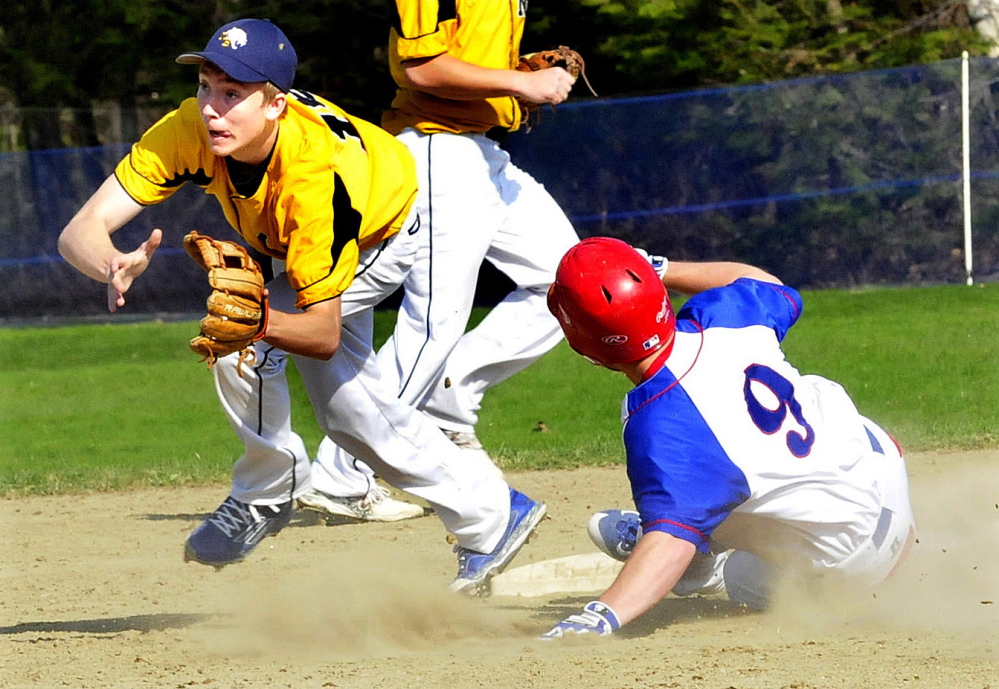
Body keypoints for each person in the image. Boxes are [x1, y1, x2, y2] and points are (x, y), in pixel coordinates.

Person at [57, 18, 547, 594]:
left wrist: (260, 319)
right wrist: (109, 262)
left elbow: (321, 333)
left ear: (275, 105)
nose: (213, 108)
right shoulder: (192, 127)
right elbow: (80, 230)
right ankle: (491, 516)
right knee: (348, 413)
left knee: (241, 335)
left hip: (379, 234)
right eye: (207, 86)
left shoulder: (312, 177)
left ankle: (268, 491)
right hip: (295, 244)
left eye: (233, 94)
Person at [540, 237, 916, 638]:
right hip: (885, 469)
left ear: (585, 346)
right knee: (746, 461)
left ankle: (704, 570)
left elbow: (670, 542)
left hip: (858, 569)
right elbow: (764, 282)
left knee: (697, 523)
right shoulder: (721, 316)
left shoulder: (662, 426)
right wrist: (662, 268)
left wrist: (599, 617)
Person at [297, 0, 582, 513]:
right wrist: (522, 84)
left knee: (569, 283)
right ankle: (343, 473)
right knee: (434, 324)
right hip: (436, 148)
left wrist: (514, 76)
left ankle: (448, 402)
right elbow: (420, 67)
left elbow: (461, 58)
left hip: (482, 152)